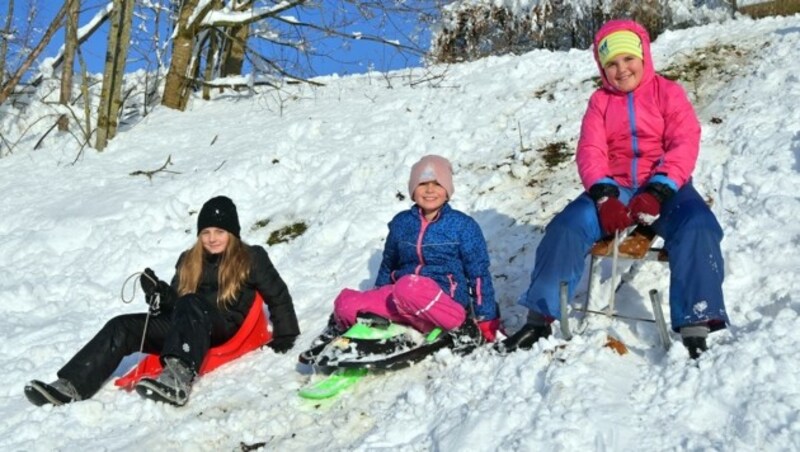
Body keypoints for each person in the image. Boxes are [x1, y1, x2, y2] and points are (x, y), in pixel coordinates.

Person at [502, 19, 729, 359]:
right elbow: (591, 151)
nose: (621, 69)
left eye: (628, 59)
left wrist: (659, 190)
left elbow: (684, 144)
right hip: (616, 185)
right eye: (611, 63)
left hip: (666, 187)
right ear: (602, 68)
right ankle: (539, 316)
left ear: (643, 56)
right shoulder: (600, 103)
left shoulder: (668, 93)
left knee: (698, 226)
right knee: (566, 227)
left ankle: (697, 320)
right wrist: (605, 196)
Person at [25, 196, 300, 407]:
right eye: (206, 232)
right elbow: (177, 305)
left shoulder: (251, 258)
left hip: (220, 326)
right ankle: (71, 385)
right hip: (188, 323)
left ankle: (178, 378)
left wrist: (286, 335)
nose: (212, 238)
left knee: (192, 302)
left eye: (219, 231)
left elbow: (278, 294)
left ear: (232, 232)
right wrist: (158, 295)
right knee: (122, 326)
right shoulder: (188, 260)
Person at [300, 155, 500, 363]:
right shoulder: (401, 223)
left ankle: (462, 328)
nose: (430, 190)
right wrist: (375, 298)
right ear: (413, 190)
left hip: (443, 303)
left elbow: (478, 274)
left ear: (447, 190)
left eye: (437, 184)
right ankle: (345, 332)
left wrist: (486, 317)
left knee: (408, 287)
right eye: (423, 184)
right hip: (403, 299)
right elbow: (389, 264)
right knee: (346, 302)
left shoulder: (463, 226)